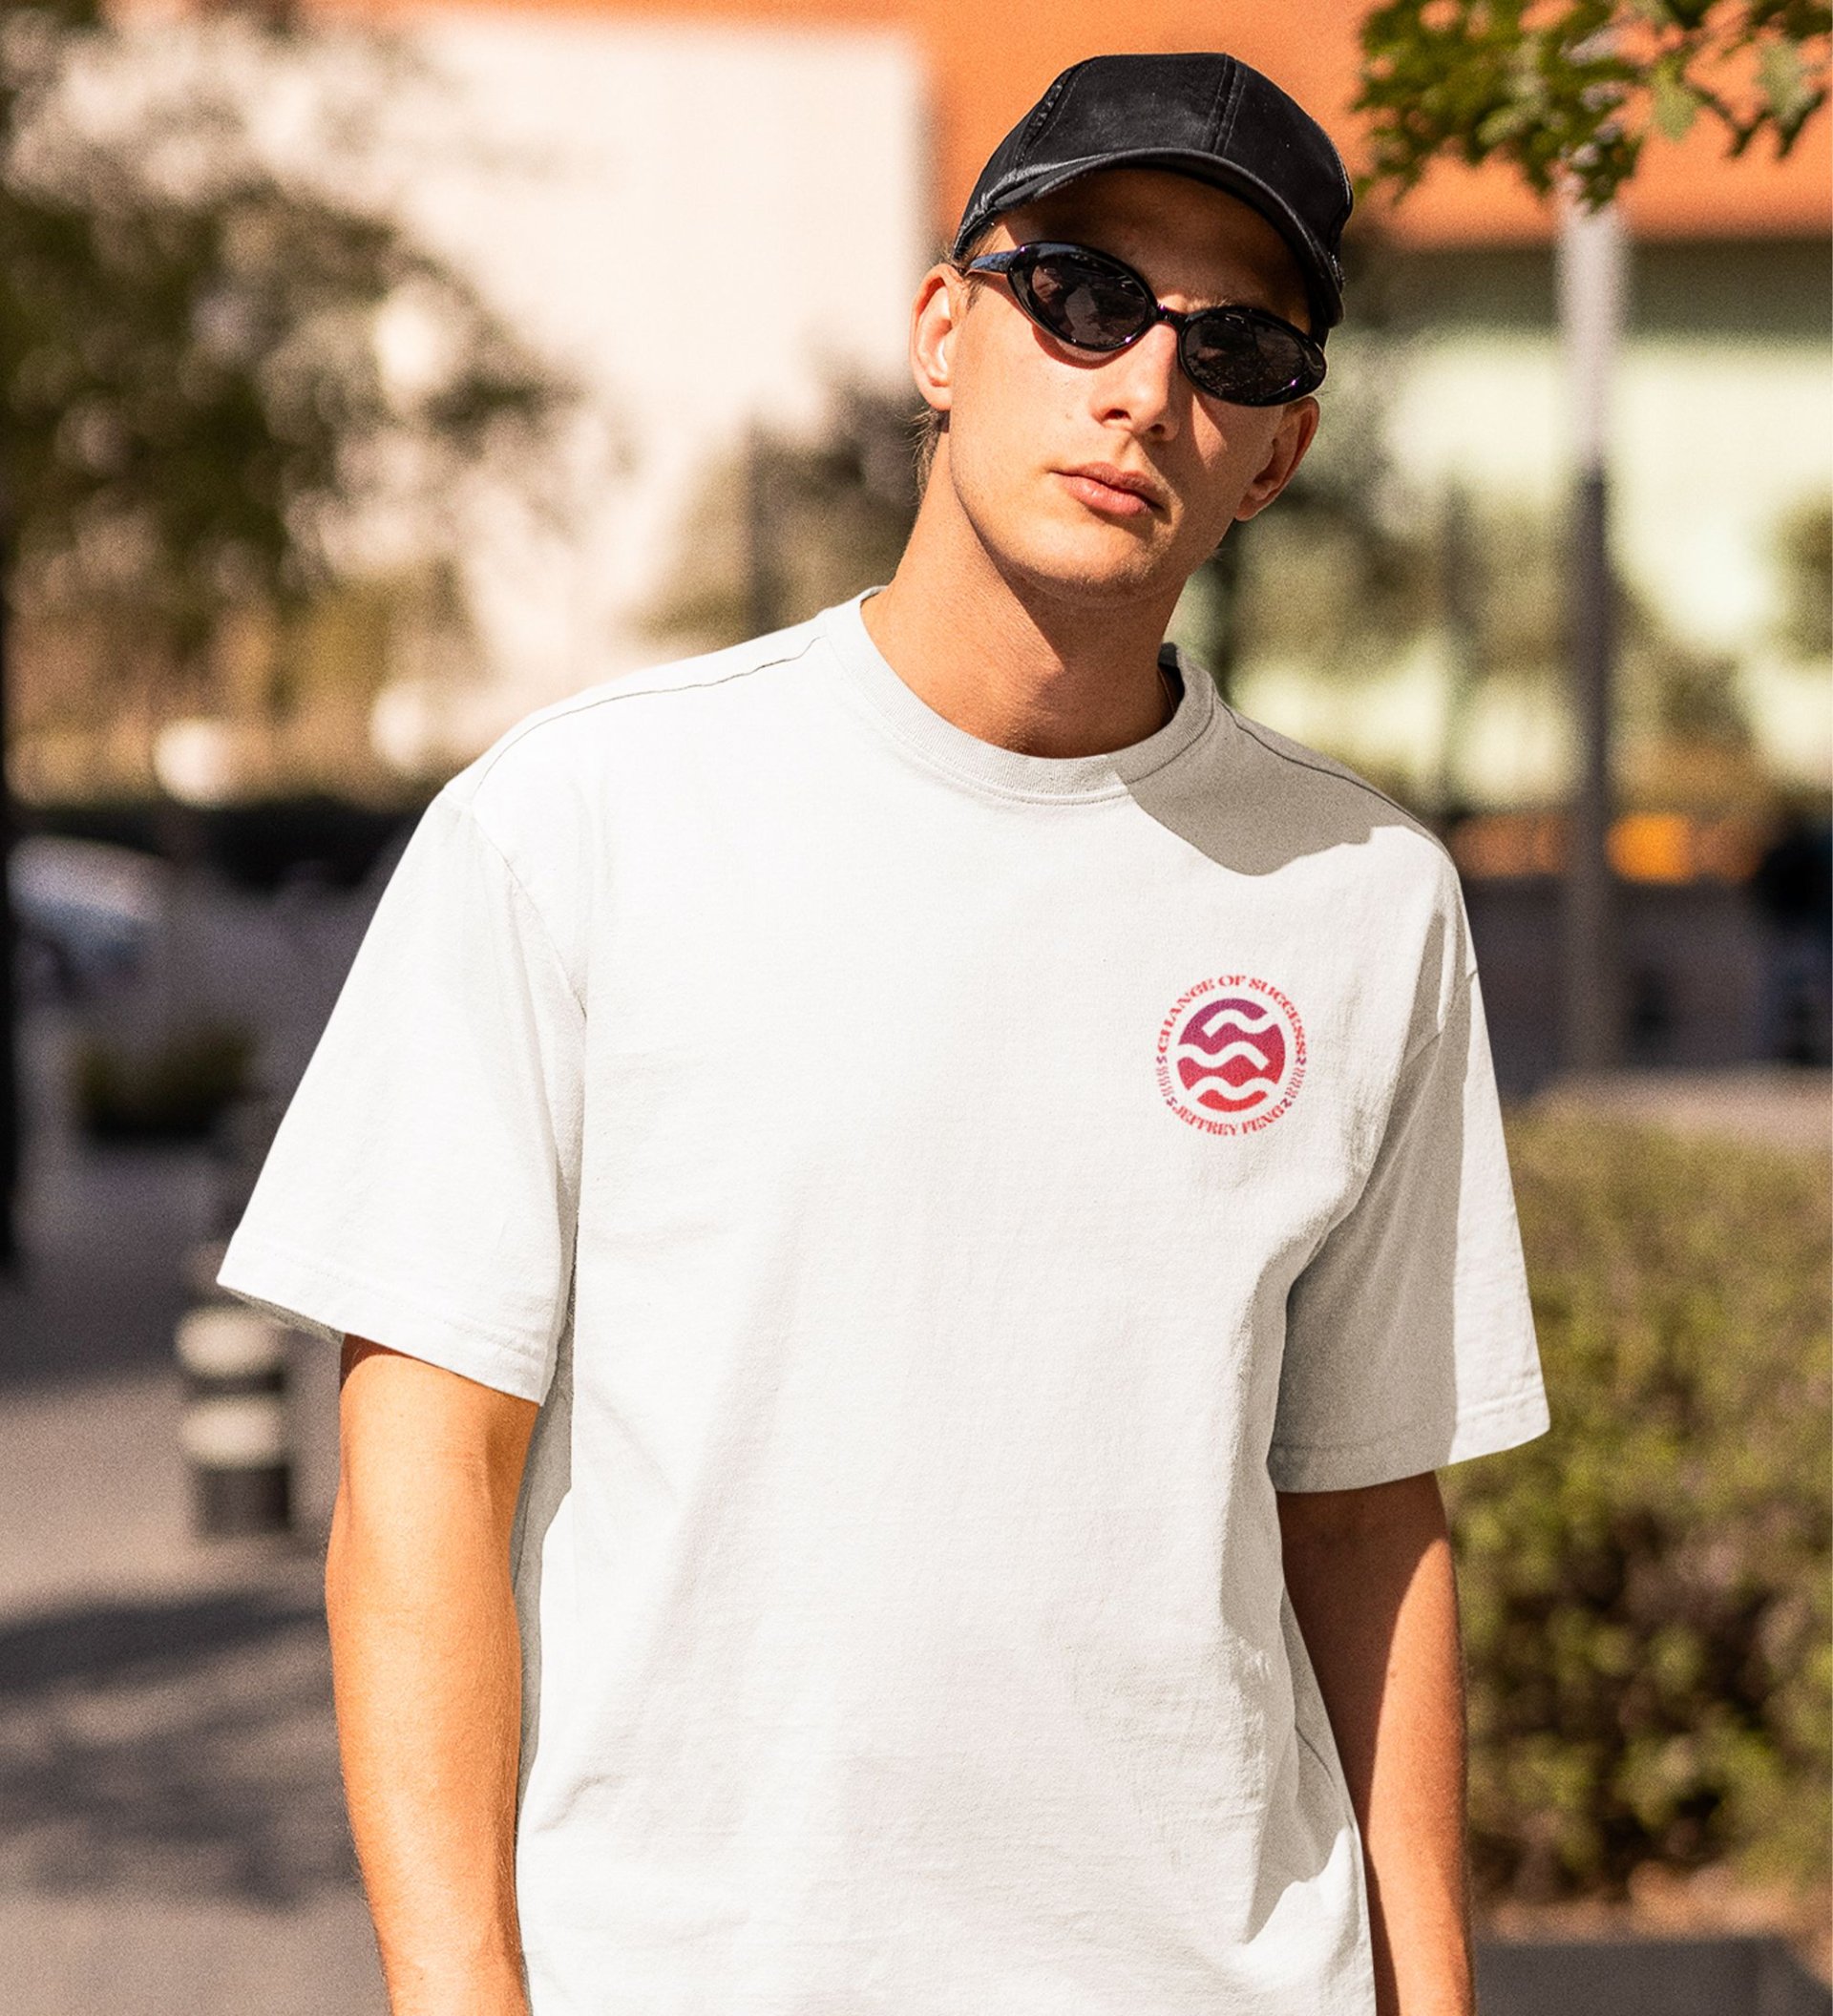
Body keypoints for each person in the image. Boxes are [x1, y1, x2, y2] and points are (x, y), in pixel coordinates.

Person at [220, 51, 1548, 2016]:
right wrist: (456, 1983)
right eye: (1082, 296)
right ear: (943, 331)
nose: (1144, 387)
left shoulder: (1361, 900)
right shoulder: (584, 822)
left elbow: (1365, 1523)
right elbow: (425, 1462)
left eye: (1236, 349)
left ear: (1278, 452)